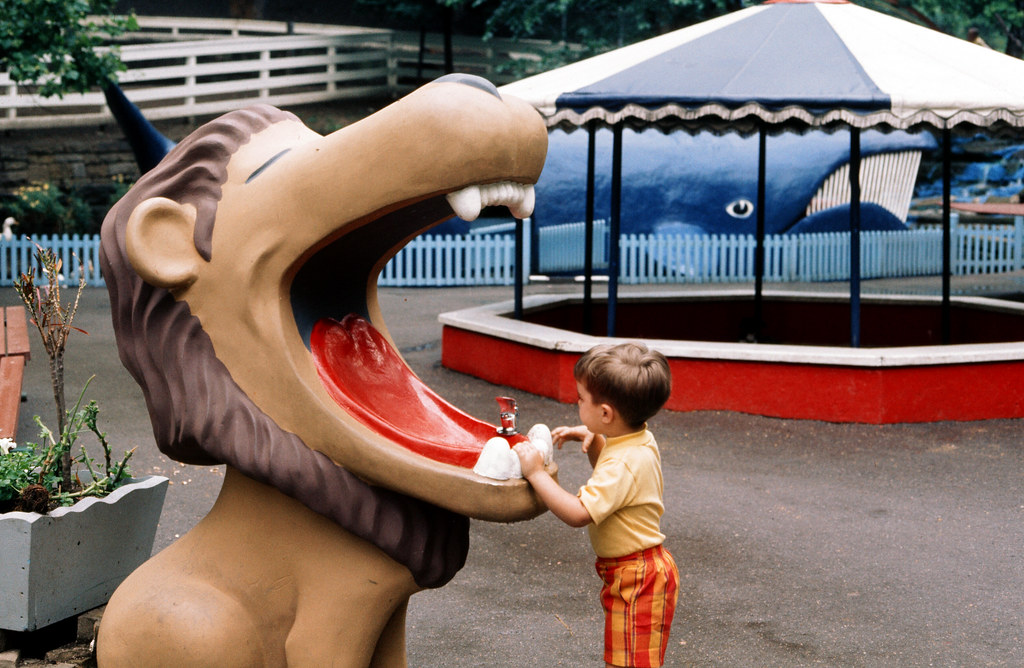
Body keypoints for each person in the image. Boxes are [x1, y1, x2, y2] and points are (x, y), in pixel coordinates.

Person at [514, 342, 679, 668]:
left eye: (580, 399)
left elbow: (579, 513)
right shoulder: (635, 439)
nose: (577, 403)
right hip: (634, 572)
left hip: (639, 579)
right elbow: (612, 482)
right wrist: (594, 435)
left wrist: (535, 473)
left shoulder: (624, 462)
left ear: (606, 413)